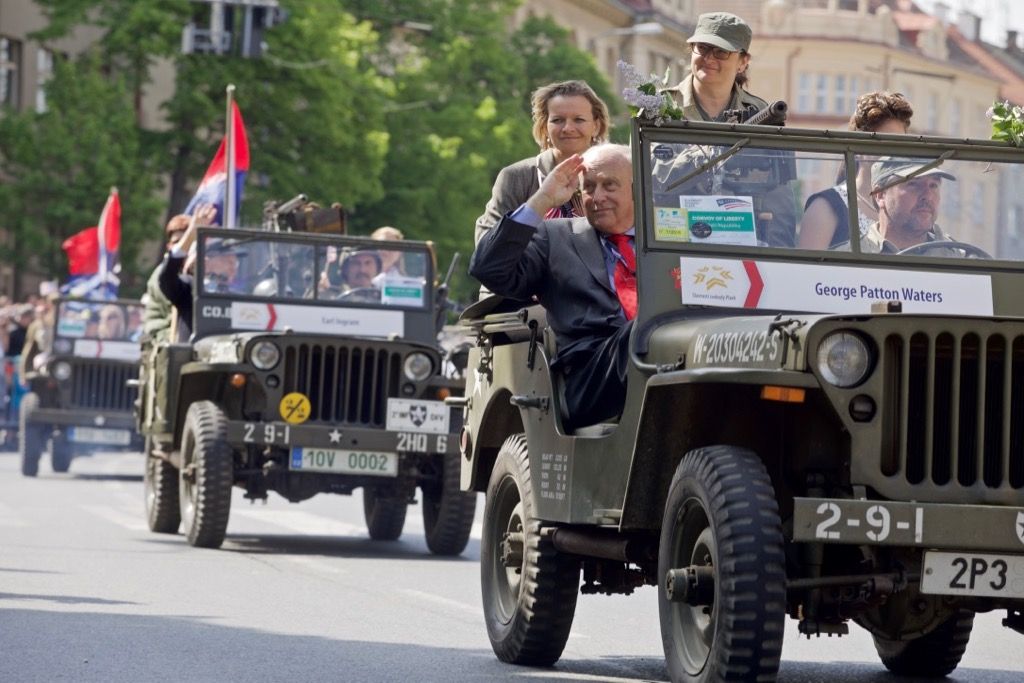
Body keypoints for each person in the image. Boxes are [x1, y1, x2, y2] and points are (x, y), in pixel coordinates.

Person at [470, 144, 635, 431]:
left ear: (638, 188)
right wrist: (542, 200)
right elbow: (489, 269)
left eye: (609, 185)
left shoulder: (669, 239)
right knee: (649, 328)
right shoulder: (556, 237)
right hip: (587, 378)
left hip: (665, 361)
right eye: (588, 187)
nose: (597, 197)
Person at [660, 11, 797, 247]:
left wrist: (778, 255)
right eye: (702, 48)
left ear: (743, 62)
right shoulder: (661, 108)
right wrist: (710, 153)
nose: (709, 58)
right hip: (672, 240)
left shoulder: (760, 114)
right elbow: (651, 177)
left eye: (721, 52)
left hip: (740, 244)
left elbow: (778, 199)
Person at [474, 80, 611, 244]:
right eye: (557, 120)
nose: (568, 128)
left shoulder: (616, 176)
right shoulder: (517, 177)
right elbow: (486, 245)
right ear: (544, 127)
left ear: (596, 126)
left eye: (579, 120)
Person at [799, 92, 914, 249]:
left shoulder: (908, 208)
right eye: (884, 144)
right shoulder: (824, 208)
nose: (893, 154)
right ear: (857, 146)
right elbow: (808, 264)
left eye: (900, 145)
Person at [860, 158, 956, 253]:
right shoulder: (856, 255)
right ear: (880, 195)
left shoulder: (958, 257)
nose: (928, 196)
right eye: (913, 184)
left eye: (933, 185)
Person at [158, 203, 219, 338]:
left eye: (191, 242)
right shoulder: (186, 284)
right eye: (178, 242)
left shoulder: (215, 283)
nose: (185, 246)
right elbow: (167, 279)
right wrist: (191, 234)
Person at [142, 214, 190, 343]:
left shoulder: (204, 271)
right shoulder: (161, 275)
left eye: (187, 241)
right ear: (169, 246)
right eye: (177, 242)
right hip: (165, 339)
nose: (183, 246)